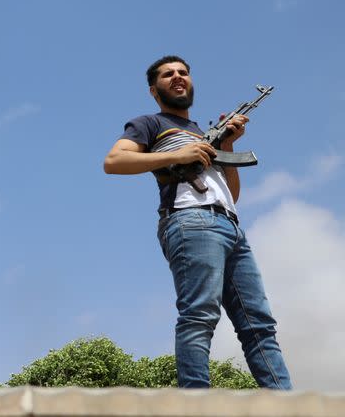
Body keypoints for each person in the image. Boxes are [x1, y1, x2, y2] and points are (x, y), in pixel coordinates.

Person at [103, 55, 291, 389]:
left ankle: (286, 403)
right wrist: (179, 154)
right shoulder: (150, 123)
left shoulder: (203, 134)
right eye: (168, 74)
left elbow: (231, 194)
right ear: (153, 89)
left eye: (184, 73)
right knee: (200, 317)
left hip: (230, 225)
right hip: (190, 221)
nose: (178, 77)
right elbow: (114, 161)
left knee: (259, 326)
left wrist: (227, 145)